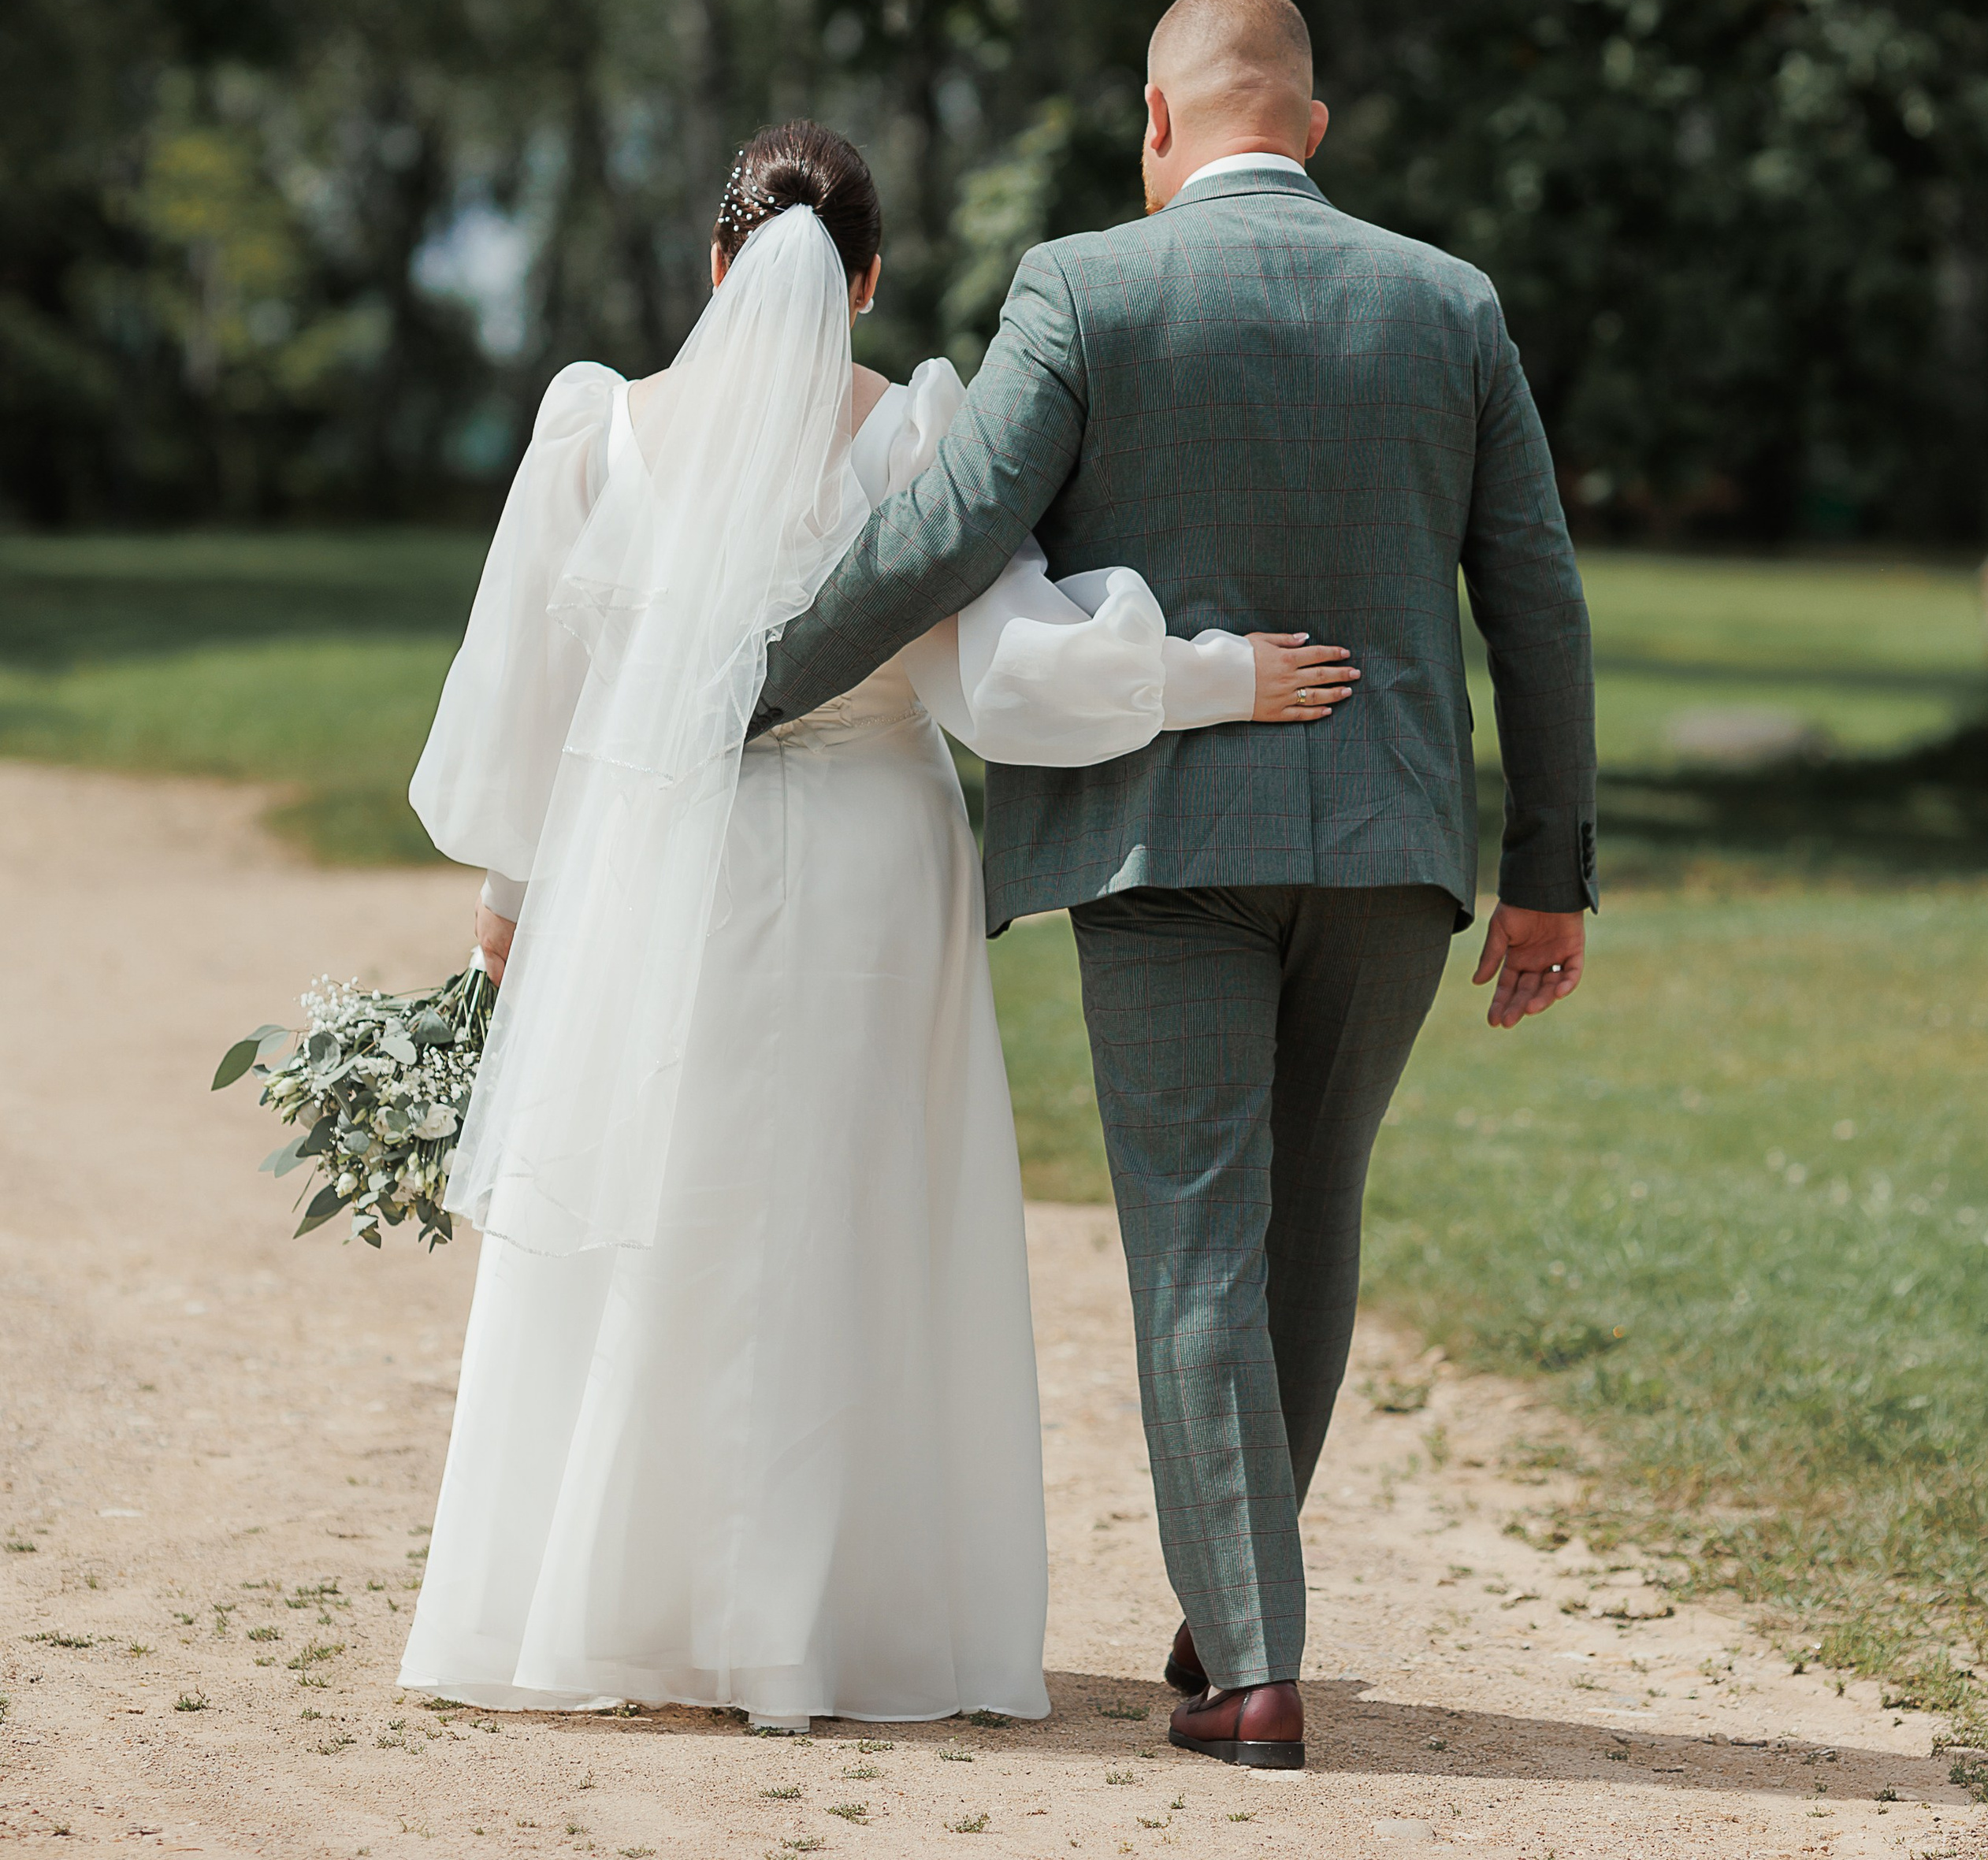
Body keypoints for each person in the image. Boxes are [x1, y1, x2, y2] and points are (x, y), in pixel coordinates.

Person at [396, 119, 1354, 1730]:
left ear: (715, 265)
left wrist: (513, 913)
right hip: (865, 864)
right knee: (847, 1219)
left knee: (658, 1208)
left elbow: (539, 712)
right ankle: (819, 1625)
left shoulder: (591, 433)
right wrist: (1209, 673)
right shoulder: (913, 431)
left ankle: (614, 1606)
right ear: (869, 281)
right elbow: (1002, 670)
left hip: (653, 860)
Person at [754, 0, 1597, 1773]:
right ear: (1310, 121)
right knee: (1310, 1218)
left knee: (1200, 1235)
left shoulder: (1082, 286)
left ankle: (1256, 1666)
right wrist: (1549, 874)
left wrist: (738, 681)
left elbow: (944, 535)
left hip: (1163, 848)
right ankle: (1235, 1621)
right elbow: (1534, 594)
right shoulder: (1448, 304)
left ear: (1156, 123)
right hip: (1387, 852)